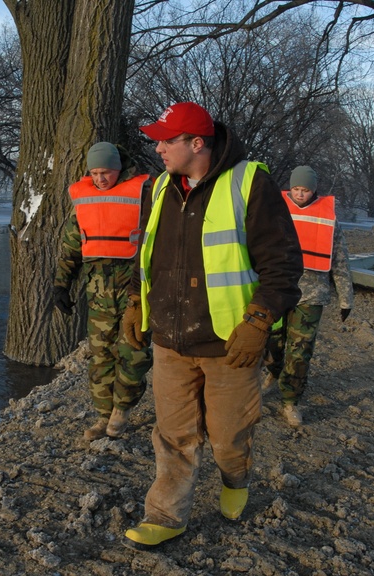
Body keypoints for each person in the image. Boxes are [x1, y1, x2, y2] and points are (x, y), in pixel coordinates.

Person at [120, 102, 304, 549]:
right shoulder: (159, 187)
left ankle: (235, 479)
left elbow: (283, 264)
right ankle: (165, 515)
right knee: (173, 435)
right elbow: (147, 254)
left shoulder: (249, 183)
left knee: (228, 439)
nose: (158, 148)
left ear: (197, 143)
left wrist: (260, 320)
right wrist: (133, 301)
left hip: (229, 343)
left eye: (167, 140)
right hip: (170, 340)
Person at [53, 141, 154, 440]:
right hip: (97, 291)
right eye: (94, 172)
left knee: (133, 350)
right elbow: (72, 243)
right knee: (100, 355)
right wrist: (62, 284)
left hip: (134, 288)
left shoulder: (143, 192)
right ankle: (102, 416)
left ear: (119, 168)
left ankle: (121, 410)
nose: (100, 178)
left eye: (106, 172)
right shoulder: (84, 198)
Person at [263, 166, 355, 428]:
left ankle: (291, 400)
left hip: (312, 294)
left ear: (314, 189)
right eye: (296, 189)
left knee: (300, 351)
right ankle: (274, 373)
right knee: (271, 342)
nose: (300, 194)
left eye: (305, 189)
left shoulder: (328, 217)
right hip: (277, 289)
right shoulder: (274, 208)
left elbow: (340, 259)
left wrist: (346, 297)